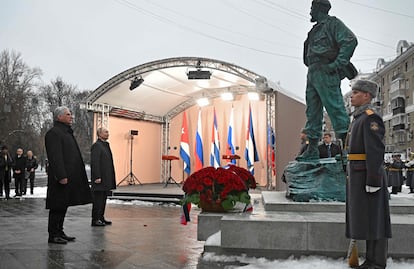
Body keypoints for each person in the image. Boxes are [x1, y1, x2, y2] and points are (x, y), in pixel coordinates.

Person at [299, 0, 358, 160]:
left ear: (319, 8)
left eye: (312, 8)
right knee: (312, 111)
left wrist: (337, 64)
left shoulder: (333, 24)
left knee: (335, 107)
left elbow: (350, 40)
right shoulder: (314, 30)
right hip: (313, 70)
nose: (310, 12)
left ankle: (347, 149)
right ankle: (312, 149)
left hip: (326, 70)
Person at [346, 79, 391, 269]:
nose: (351, 96)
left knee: (376, 219)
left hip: (367, 175)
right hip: (358, 175)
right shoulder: (359, 117)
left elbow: (375, 151)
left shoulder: (370, 117)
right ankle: (371, 259)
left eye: (356, 92)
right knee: (367, 219)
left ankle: (377, 261)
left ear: (367, 96)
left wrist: (373, 179)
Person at [45, 106, 92, 244]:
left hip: (69, 176)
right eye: (68, 114)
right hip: (60, 178)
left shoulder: (66, 132)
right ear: (59, 117)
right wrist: (61, 176)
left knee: (63, 205)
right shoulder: (53, 133)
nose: (71, 116)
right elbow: (55, 157)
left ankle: (60, 231)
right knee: (57, 206)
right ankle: (53, 234)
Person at [90, 127, 116, 227]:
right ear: (99, 134)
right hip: (99, 178)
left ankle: (101, 217)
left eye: (108, 132)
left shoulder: (106, 145)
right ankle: (95, 219)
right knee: (97, 200)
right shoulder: (96, 146)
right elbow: (95, 162)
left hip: (106, 178)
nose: (108, 133)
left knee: (103, 199)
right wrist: (97, 176)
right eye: (105, 132)